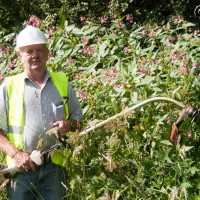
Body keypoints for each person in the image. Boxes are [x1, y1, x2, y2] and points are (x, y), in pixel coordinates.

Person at [0, 25, 82, 200]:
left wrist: (69, 125)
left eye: (39, 50)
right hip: (20, 171)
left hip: (55, 169)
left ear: (47, 53)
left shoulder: (62, 82)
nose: (35, 55)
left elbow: (78, 120)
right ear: (19, 55)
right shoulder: (8, 87)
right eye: (29, 51)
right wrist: (16, 154)